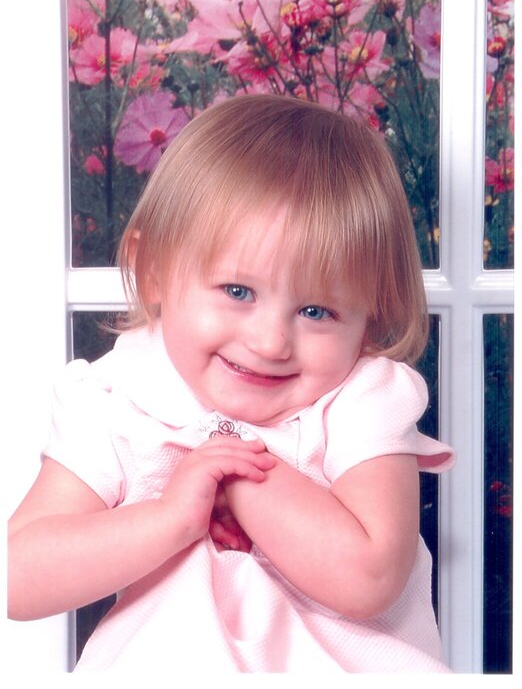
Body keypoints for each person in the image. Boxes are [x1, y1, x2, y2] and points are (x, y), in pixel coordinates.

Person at [8, 94, 455, 673]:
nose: (271, 342)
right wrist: (171, 518)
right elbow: (17, 577)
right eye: (238, 292)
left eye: (317, 311)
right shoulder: (119, 396)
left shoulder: (362, 400)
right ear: (156, 272)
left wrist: (244, 482)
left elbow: (371, 578)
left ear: (371, 316)